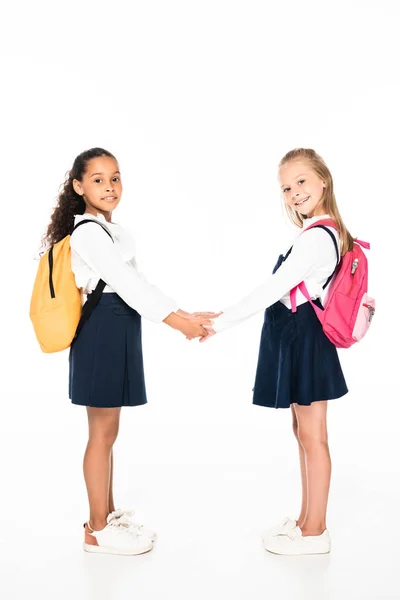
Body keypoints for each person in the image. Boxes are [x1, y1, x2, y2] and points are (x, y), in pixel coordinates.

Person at [42, 147, 213, 556]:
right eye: (98, 179)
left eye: (115, 177)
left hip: (117, 328)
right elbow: (128, 285)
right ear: (79, 187)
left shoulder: (110, 230)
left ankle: (107, 516)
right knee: (101, 433)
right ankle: (96, 529)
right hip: (101, 331)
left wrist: (184, 313)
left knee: (108, 432)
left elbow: (138, 283)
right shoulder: (87, 232)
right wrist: (179, 323)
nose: (109, 186)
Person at [200, 148, 350, 555]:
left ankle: (316, 531)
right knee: (302, 430)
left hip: (305, 335)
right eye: (286, 187)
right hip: (295, 334)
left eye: (301, 181)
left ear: (323, 179)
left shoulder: (319, 237)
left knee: (314, 435)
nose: (294, 192)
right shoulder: (314, 232)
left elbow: (273, 289)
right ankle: (305, 521)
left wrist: (220, 321)